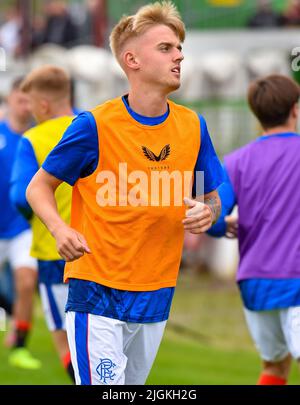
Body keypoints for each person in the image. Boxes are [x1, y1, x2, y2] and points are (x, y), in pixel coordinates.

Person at [26, 1, 223, 385]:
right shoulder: (94, 125)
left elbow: (210, 194)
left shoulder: (193, 126)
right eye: (165, 48)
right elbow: (38, 188)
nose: (179, 54)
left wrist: (210, 211)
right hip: (96, 290)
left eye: (179, 47)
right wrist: (60, 230)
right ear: (132, 60)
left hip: (156, 291)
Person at [207, 74, 300, 385]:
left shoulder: (235, 161)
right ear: (295, 110)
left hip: (256, 282)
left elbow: (212, 216)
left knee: (274, 368)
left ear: (256, 113)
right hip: (295, 279)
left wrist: (225, 227)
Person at [10, 66, 75, 382]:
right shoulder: (94, 128)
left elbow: (22, 196)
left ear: (44, 106)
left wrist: (32, 219)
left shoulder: (33, 139)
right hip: (100, 251)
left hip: (54, 252)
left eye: (32, 104)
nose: (31, 112)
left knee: (64, 336)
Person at [0, 78, 40, 369]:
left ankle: (20, 346)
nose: (25, 106)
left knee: (26, 282)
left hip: (23, 226)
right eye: (20, 99)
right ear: (11, 98)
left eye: (30, 100)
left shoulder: (37, 138)